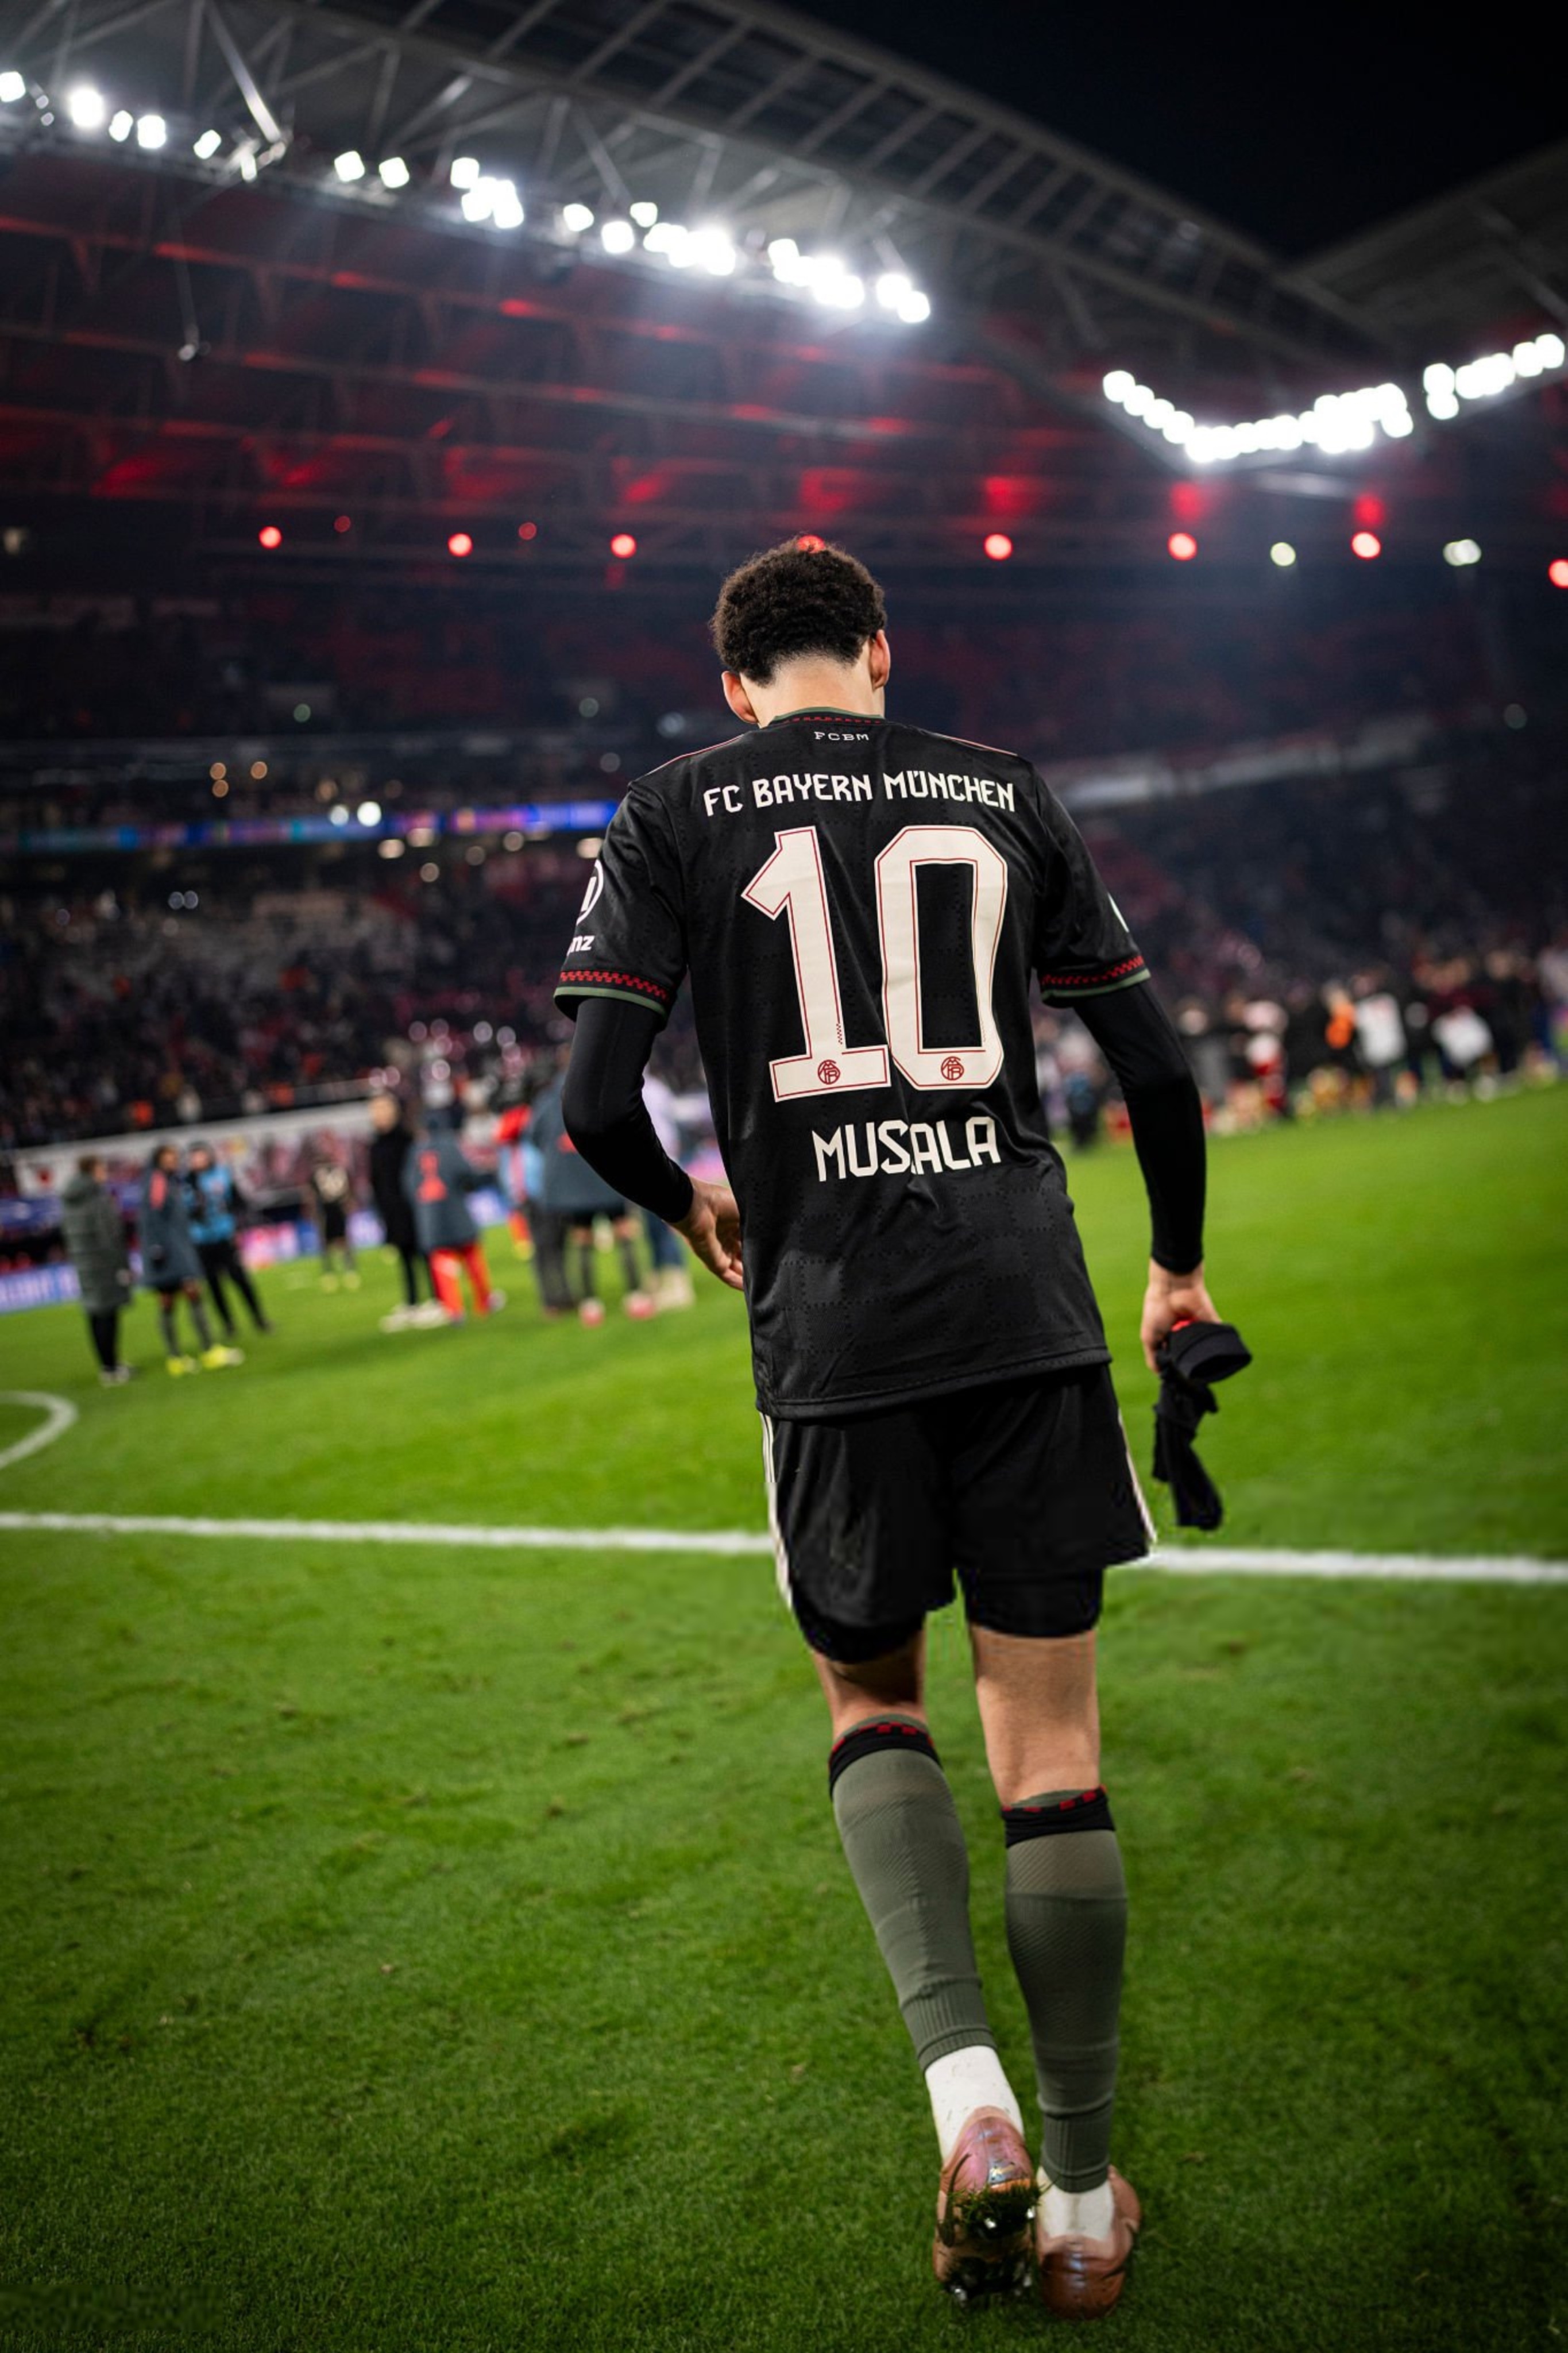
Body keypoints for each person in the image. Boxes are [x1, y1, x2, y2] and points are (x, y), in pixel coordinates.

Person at [554, 539, 1218, 2320]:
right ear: (878, 649)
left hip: (832, 1328)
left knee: (875, 1706)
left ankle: (965, 2103)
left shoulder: (672, 806)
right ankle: (1077, 2203)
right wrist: (1173, 1268)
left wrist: (690, 1201)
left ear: (734, 683)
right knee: (1052, 1749)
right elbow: (1158, 1067)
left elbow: (593, 1103)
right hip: (1022, 1305)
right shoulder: (999, 788)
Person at [529, 1062, 656, 1325]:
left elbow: (535, 1137)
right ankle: (636, 1297)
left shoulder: (547, 1100)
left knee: (583, 1241)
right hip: (609, 1178)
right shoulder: (601, 1090)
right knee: (625, 1236)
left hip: (574, 1188)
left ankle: (590, 1305)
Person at [138, 1143, 242, 1374]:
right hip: (170, 1253)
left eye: (175, 1157)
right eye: (169, 1158)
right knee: (186, 1295)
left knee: (171, 1300)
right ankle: (206, 1351)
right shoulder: (158, 1181)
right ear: (159, 1160)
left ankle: (177, 1357)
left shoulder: (169, 1181)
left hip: (172, 1249)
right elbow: (151, 1217)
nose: (174, 1161)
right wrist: (156, 1247)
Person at [401, 1112, 505, 1322]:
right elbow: (465, 1172)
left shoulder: (415, 1151)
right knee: (472, 1258)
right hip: (455, 1212)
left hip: (430, 1218)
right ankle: (484, 1302)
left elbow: (409, 1185)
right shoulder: (449, 1145)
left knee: (442, 1264)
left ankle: (453, 1309)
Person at [367, 1093, 443, 1331]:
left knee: (425, 1254)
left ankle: (439, 1300)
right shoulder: (375, 1145)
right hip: (393, 1212)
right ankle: (412, 1303)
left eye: (384, 1108)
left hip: (413, 1208)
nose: (379, 1114)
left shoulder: (408, 1140)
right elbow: (376, 1182)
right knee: (405, 1258)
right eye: (376, 1109)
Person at [59, 1154, 136, 1384]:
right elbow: (110, 1236)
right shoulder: (97, 1199)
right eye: (102, 1168)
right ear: (93, 1171)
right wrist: (122, 1266)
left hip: (84, 1266)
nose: (105, 1173)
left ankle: (107, 1365)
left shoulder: (69, 1200)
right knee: (108, 1315)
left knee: (95, 1314)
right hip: (104, 1265)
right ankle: (113, 1367)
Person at [184, 1143, 273, 1336]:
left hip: (224, 1235)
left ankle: (259, 1317)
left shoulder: (222, 1174)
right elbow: (182, 1213)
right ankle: (228, 1324)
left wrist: (238, 1228)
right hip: (201, 1241)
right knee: (213, 1285)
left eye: (201, 1156)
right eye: (194, 1158)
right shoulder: (186, 1182)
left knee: (240, 1279)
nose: (198, 1161)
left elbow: (238, 1202)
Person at [306, 1147, 359, 1289]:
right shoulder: (338, 1171)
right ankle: (344, 1270)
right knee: (337, 1241)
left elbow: (311, 1195)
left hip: (330, 1208)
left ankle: (335, 1271)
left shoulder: (320, 1174)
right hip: (333, 1208)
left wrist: (313, 1212)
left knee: (333, 1241)